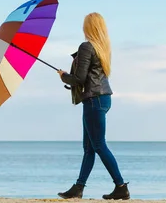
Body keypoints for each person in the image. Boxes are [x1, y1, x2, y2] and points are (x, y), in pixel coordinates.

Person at [56, 12, 130, 200]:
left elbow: (79, 78)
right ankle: (78, 187)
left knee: (98, 145)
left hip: (93, 100)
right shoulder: (103, 48)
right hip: (102, 98)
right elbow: (88, 77)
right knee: (89, 148)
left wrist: (64, 76)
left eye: (84, 25)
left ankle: (120, 186)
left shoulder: (86, 47)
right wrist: (69, 79)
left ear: (88, 27)